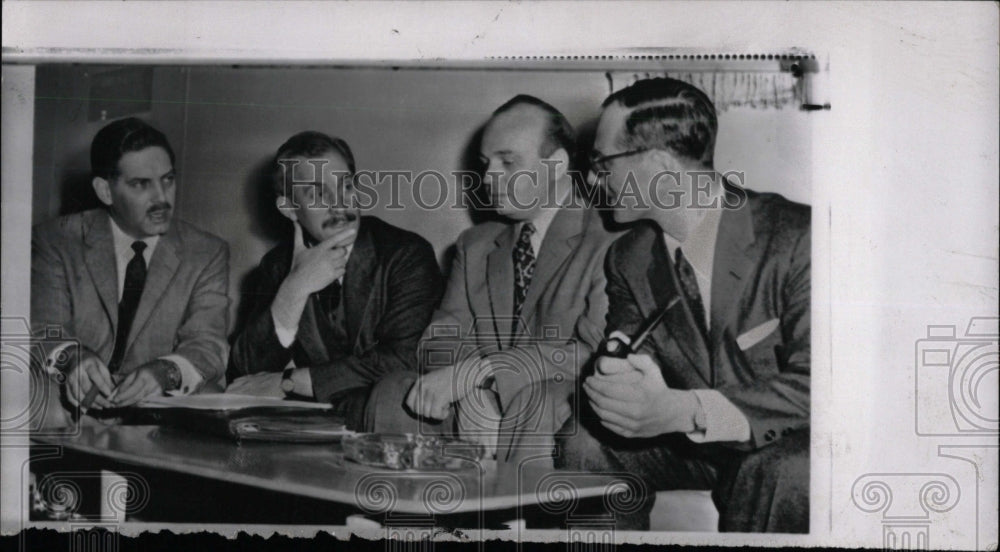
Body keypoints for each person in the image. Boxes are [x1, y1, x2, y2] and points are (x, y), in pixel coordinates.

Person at [557, 77, 811, 532]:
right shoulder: (628, 257)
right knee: (582, 440)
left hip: (780, 441)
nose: (593, 179)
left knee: (780, 467)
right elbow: (634, 349)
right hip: (698, 450)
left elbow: (826, 387)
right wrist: (621, 382)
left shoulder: (797, 238)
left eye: (601, 162)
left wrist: (687, 410)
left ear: (658, 166)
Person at [367, 95, 621, 462]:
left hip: (558, 408)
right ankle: (405, 516)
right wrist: (473, 392)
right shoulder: (476, 245)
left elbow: (593, 354)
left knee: (537, 403)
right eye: (486, 164)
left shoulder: (611, 238)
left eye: (507, 162)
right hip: (487, 401)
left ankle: (518, 516)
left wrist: (484, 374)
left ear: (556, 165)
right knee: (394, 393)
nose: (488, 178)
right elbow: (440, 338)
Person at [227, 131, 444, 431]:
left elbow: (405, 359)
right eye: (317, 194)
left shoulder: (406, 255)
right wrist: (295, 287)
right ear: (289, 209)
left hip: (382, 434)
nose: (338, 204)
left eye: (345, 186)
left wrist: (293, 382)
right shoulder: (278, 266)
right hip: (302, 439)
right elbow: (247, 375)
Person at [31, 117, 230, 427]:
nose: (161, 198)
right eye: (141, 184)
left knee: (214, 397)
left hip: (156, 400)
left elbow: (208, 344)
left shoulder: (206, 252)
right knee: (36, 399)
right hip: (70, 400)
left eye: (168, 179)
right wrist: (74, 359)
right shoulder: (55, 240)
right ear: (105, 191)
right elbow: (44, 327)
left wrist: (167, 372)